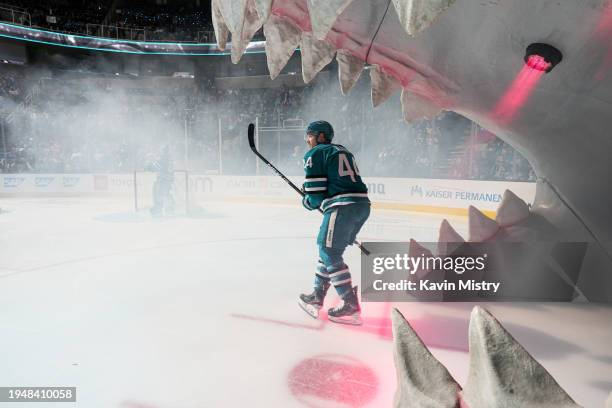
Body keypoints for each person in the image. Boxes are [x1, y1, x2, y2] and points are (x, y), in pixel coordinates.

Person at [298, 120, 370, 325]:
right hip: (361, 206)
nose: (307, 140)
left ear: (321, 136)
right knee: (329, 251)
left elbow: (314, 199)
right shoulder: (343, 151)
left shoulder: (316, 153)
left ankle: (349, 304)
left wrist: (306, 200)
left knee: (327, 250)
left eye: (310, 135)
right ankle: (317, 295)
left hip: (343, 206)